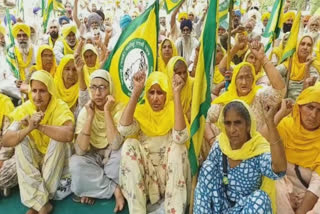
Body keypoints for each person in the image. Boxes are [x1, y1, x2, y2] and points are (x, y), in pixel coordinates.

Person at [194, 100, 287, 213]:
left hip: (245, 209)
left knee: (261, 198)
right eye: (228, 123)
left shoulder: (257, 149)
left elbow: (279, 168)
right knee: (207, 167)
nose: (232, 130)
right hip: (221, 206)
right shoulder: (221, 144)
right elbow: (206, 182)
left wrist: (270, 123)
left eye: (238, 123)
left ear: (248, 125)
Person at [2, 70, 75, 214]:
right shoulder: (26, 108)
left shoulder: (59, 106)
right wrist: (29, 128)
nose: (37, 96)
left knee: (58, 138)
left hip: (57, 162)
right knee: (20, 140)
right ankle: (43, 204)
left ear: (50, 91)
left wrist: (40, 126)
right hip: (36, 161)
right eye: (34, 90)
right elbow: (6, 140)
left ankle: (36, 203)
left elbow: (68, 135)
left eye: (42, 91)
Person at [118, 71, 191, 213]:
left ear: (166, 94)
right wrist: (136, 92)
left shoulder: (172, 110)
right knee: (129, 145)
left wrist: (176, 94)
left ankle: (173, 209)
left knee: (179, 148)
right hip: (147, 179)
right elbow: (124, 129)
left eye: (160, 93)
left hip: (169, 176)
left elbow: (180, 137)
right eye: (151, 92)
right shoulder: (141, 111)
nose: (155, 98)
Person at [70, 69, 125, 212]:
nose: (97, 93)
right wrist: (90, 117)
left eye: (102, 87)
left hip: (111, 155)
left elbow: (115, 144)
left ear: (110, 88)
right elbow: (81, 150)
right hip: (93, 156)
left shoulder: (118, 109)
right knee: (75, 164)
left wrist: (107, 111)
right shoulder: (86, 111)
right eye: (93, 87)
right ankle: (115, 190)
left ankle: (94, 188)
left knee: (119, 162)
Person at [208, 61, 285, 140]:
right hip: (231, 146)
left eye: (248, 77)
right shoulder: (225, 98)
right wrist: (212, 140)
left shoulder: (259, 95)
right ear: (234, 80)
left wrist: (263, 59)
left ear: (253, 79)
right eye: (240, 78)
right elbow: (209, 118)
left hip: (256, 145)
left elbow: (279, 90)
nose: (244, 82)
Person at [275, 84, 320, 213]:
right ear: (299, 107)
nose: (313, 115)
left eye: (319, 110)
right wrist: (278, 115)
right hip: (284, 189)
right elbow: (261, 145)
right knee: (273, 183)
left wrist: (301, 209)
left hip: (310, 195)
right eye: (309, 107)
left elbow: (317, 184)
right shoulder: (285, 126)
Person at [276, 35, 319, 100]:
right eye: (302, 44)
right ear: (297, 46)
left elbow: (308, 91)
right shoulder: (289, 63)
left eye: (309, 45)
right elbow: (273, 73)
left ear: (311, 48)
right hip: (287, 105)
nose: (305, 47)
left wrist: (307, 67)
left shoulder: (313, 66)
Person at [0, 93, 16, 197]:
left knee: (4, 174)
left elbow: (8, 143)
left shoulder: (5, 103)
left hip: (5, 150)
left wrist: (1, 160)